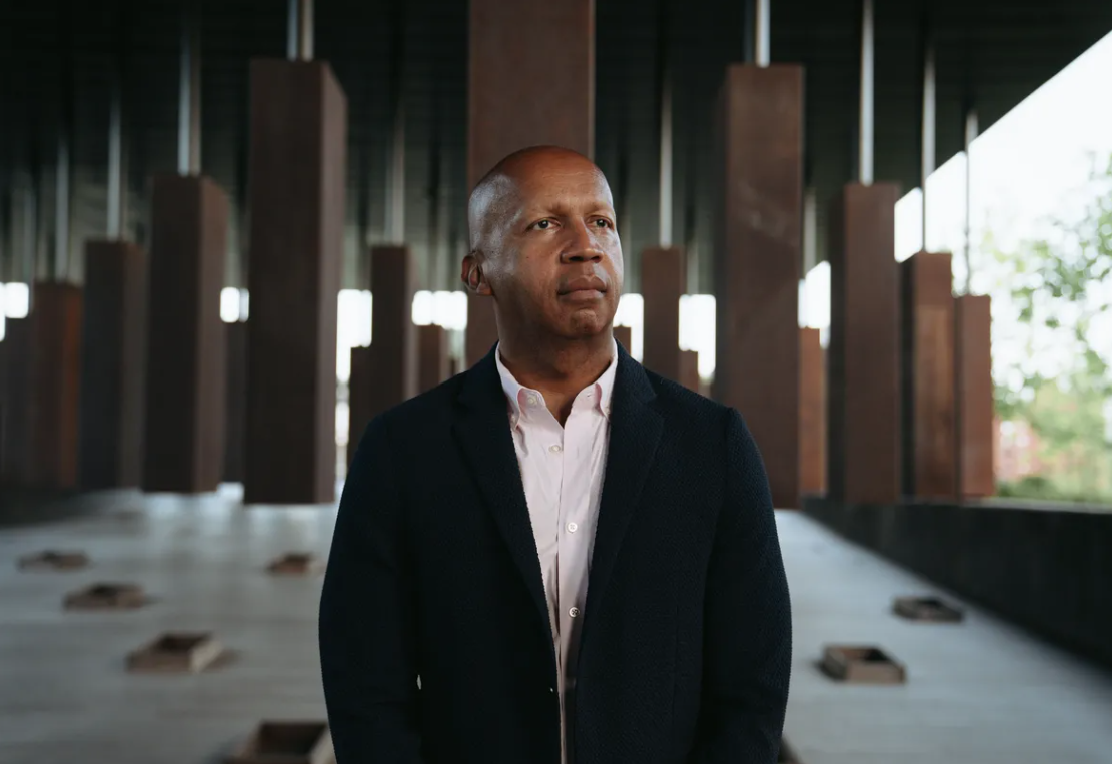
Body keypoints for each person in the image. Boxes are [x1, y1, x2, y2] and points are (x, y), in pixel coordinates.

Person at [319, 145, 792, 764]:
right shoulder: (402, 450)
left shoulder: (712, 446)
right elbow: (364, 682)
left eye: (602, 222)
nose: (585, 245)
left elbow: (752, 685)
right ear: (477, 272)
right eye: (545, 223)